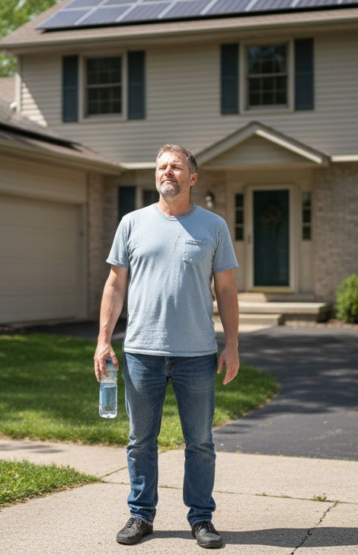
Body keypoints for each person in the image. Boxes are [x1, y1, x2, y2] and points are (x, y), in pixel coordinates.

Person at [94, 144, 240, 549]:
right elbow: (115, 284)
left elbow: (226, 290)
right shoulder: (132, 223)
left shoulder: (213, 226)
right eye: (161, 167)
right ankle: (141, 516)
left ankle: (202, 519)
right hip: (142, 351)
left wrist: (232, 345)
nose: (167, 172)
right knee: (141, 440)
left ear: (192, 178)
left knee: (200, 442)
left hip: (197, 354)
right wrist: (104, 340)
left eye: (176, 166)